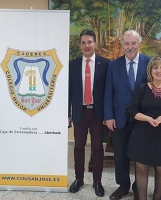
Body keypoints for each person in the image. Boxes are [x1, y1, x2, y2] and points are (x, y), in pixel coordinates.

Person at [104, 30, 151, 200]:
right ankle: (123, 186)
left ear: (139, 44)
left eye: (133, 43)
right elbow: (108, 92)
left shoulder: (150, 62)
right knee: (120, 155)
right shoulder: (113, 65)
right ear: (122, 44)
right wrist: (108, 116)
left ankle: (139, 187)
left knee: (141, 156)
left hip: (142, 119)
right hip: (119, 119)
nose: (130, 47)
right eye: (127, 43)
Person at [68, 29, 110, 197]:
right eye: (83, 42)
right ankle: (79, 179)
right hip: (79, 112)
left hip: (97, 114)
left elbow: (108, 92)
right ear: (80, 45)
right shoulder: (73, 64)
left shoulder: (106, 64)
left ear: (95, 43)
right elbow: (69, 91)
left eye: (89, 42)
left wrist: (108, 114)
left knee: (98, 148)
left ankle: (97, 181)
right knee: (78, 148)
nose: (86, 45)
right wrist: (67, 113)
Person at [126, 55, 161, 200]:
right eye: (155, 67)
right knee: (141, 167)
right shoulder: (142, 88)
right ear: (150, 70)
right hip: (142, 134)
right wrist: (148, 118)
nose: (159, 70)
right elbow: (131, 110)